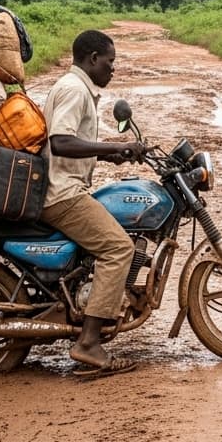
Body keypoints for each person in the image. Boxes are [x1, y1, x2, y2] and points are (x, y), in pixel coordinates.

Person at [41, 29, 146, 376]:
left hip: (64, 186)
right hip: (62, 193)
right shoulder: (74, 90)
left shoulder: (77, 88)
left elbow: (74, 144)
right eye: (111, 61)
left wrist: (111, 157)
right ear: (93, 59)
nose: (113, 69)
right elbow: (61, 142)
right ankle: (88, 343)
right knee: (118, 248)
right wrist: (113, 147)